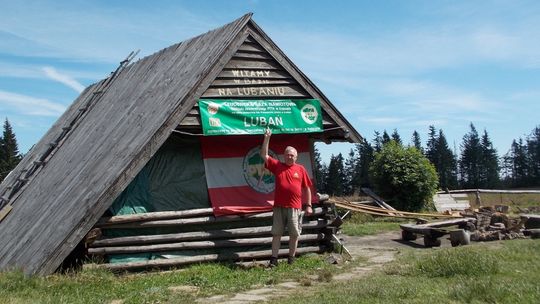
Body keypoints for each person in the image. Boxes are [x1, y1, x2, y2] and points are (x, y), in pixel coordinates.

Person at [260, 128, 313, 267]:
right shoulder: (277, 166)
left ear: (296, 157)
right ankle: (274, 260)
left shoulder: (301, 169)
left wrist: (308, 205)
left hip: (295, 207)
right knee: (276, 233)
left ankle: (291, 258)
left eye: (292, 155)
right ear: (284, 155)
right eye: (287, 154)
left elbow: (307, 188)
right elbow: (264, 155)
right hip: (279, 206)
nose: (289, 157)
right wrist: (267, 138)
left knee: (294, 234)